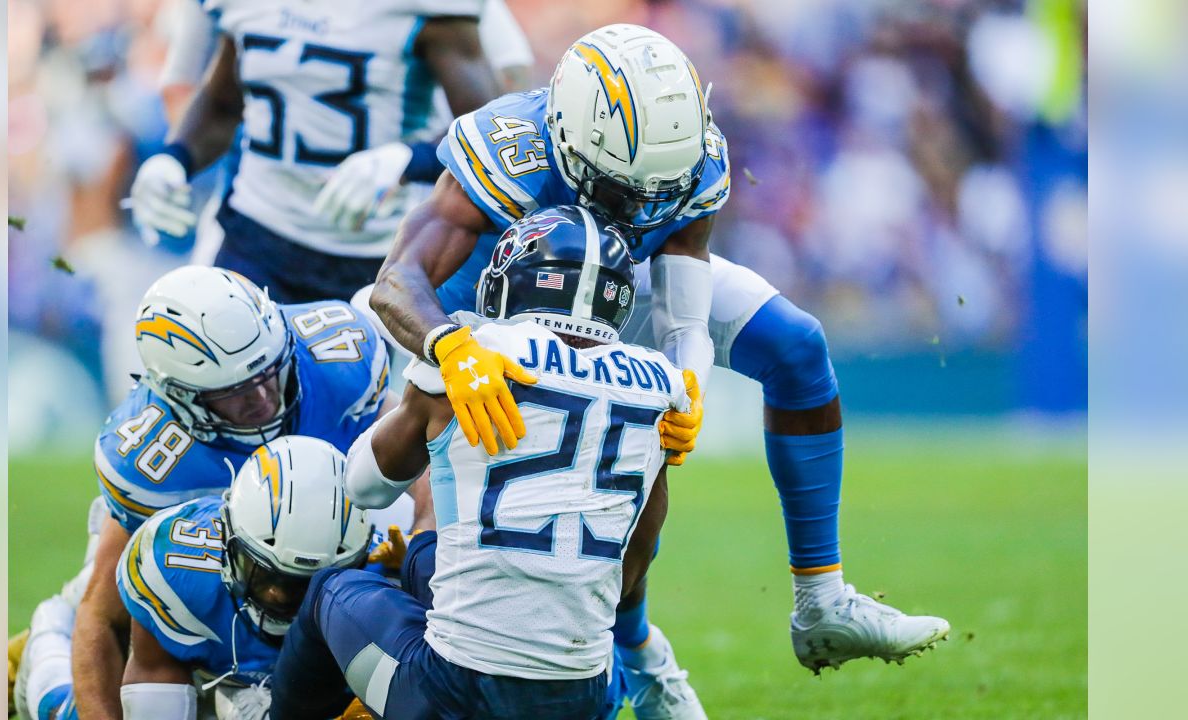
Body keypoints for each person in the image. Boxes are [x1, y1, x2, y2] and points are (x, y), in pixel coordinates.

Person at [369, 21, 950, 704]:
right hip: (487, 308)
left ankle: (820, 603)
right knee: (443, 524)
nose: (647, 208)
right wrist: (451, 347)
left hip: (617, 289)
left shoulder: (688, 156)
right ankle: (633, 653)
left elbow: (684, 311)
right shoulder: (510, 150)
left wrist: (687, 386)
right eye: (627, 192)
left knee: (795, 348)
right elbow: (396, 282)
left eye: (661, 192)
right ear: (567, 140)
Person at [269, 205, 686, 720]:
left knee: (333, 591)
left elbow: (364, 485)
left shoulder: (479, 350)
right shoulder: (662, 384)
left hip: (454, 692)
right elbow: (631, 572)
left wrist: (422, 389)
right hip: (581, 696)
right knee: (424, 559)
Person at [10, 266, 420, 720]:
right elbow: (104, 615)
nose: (263, 399)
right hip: (211, 553)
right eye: (235, 393)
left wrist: (423, 544)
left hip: (339, 517)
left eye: (270, 372)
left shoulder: (337, 359)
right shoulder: (151, 463)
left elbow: (418, 450)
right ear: (179, 395)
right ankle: (46, 657)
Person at [126, 0, 515, 303]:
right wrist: (174, 157)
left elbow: (491, 131)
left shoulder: (428, 11)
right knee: (221, 395)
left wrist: (408, 159)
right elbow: (223, 103)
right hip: (256, 233)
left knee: (348, 400)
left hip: (374, 255)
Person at [21, 436, 383, 720]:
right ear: (228, 541)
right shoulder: (175, 567)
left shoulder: (388, 585)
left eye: (302, 585)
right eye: (264, 572)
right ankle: (50, 637)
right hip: (201, 671)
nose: (276, 593)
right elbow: (155, 685)